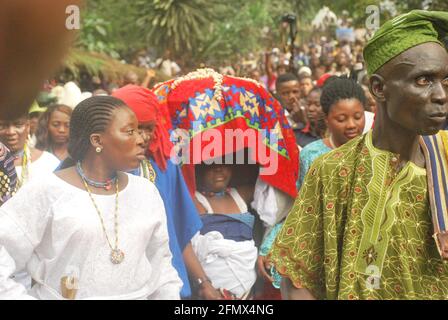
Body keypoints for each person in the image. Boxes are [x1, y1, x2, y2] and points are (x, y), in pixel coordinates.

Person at [269, 10, 448, 300]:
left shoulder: (445, 158)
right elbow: (297, 276)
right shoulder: (332, 171)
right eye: (424, 80)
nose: (441, 94)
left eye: (445, 80)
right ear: (379, 88)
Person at [0, 96, 182, 299]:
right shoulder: (47, 191)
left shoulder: (146, 192)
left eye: (139, 130)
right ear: (97, 140)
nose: (141, 139)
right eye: (130, 131)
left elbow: (161, 266)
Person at [112, 85, 221, 300]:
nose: (142, 138)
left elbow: (179, 232)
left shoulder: (164, 166)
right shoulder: (94, 171)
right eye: (132, 129)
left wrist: (203, 282)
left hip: (167, 288)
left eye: (148, 128)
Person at [258, 77, 366, 292]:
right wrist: (270, 246)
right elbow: (299, 209)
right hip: (321, 250)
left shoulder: (375, 152)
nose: (352, 125)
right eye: (341, 119)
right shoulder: (312, 155)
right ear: (326, 118)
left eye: (357, 117)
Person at [192, 162, 256, 299]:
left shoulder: (241, 194)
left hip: (247, 290)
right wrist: (204, 284)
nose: (219, 168)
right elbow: (186, 245)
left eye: (224, 163)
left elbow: (275, 185)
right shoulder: (194, 200)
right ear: (199, 168)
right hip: (212, 292)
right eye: (210, 164)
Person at [0, 112, 60, 190]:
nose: (11, 132)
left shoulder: (48, 162)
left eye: (18, 125)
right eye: (2, 126)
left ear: (28, 127)